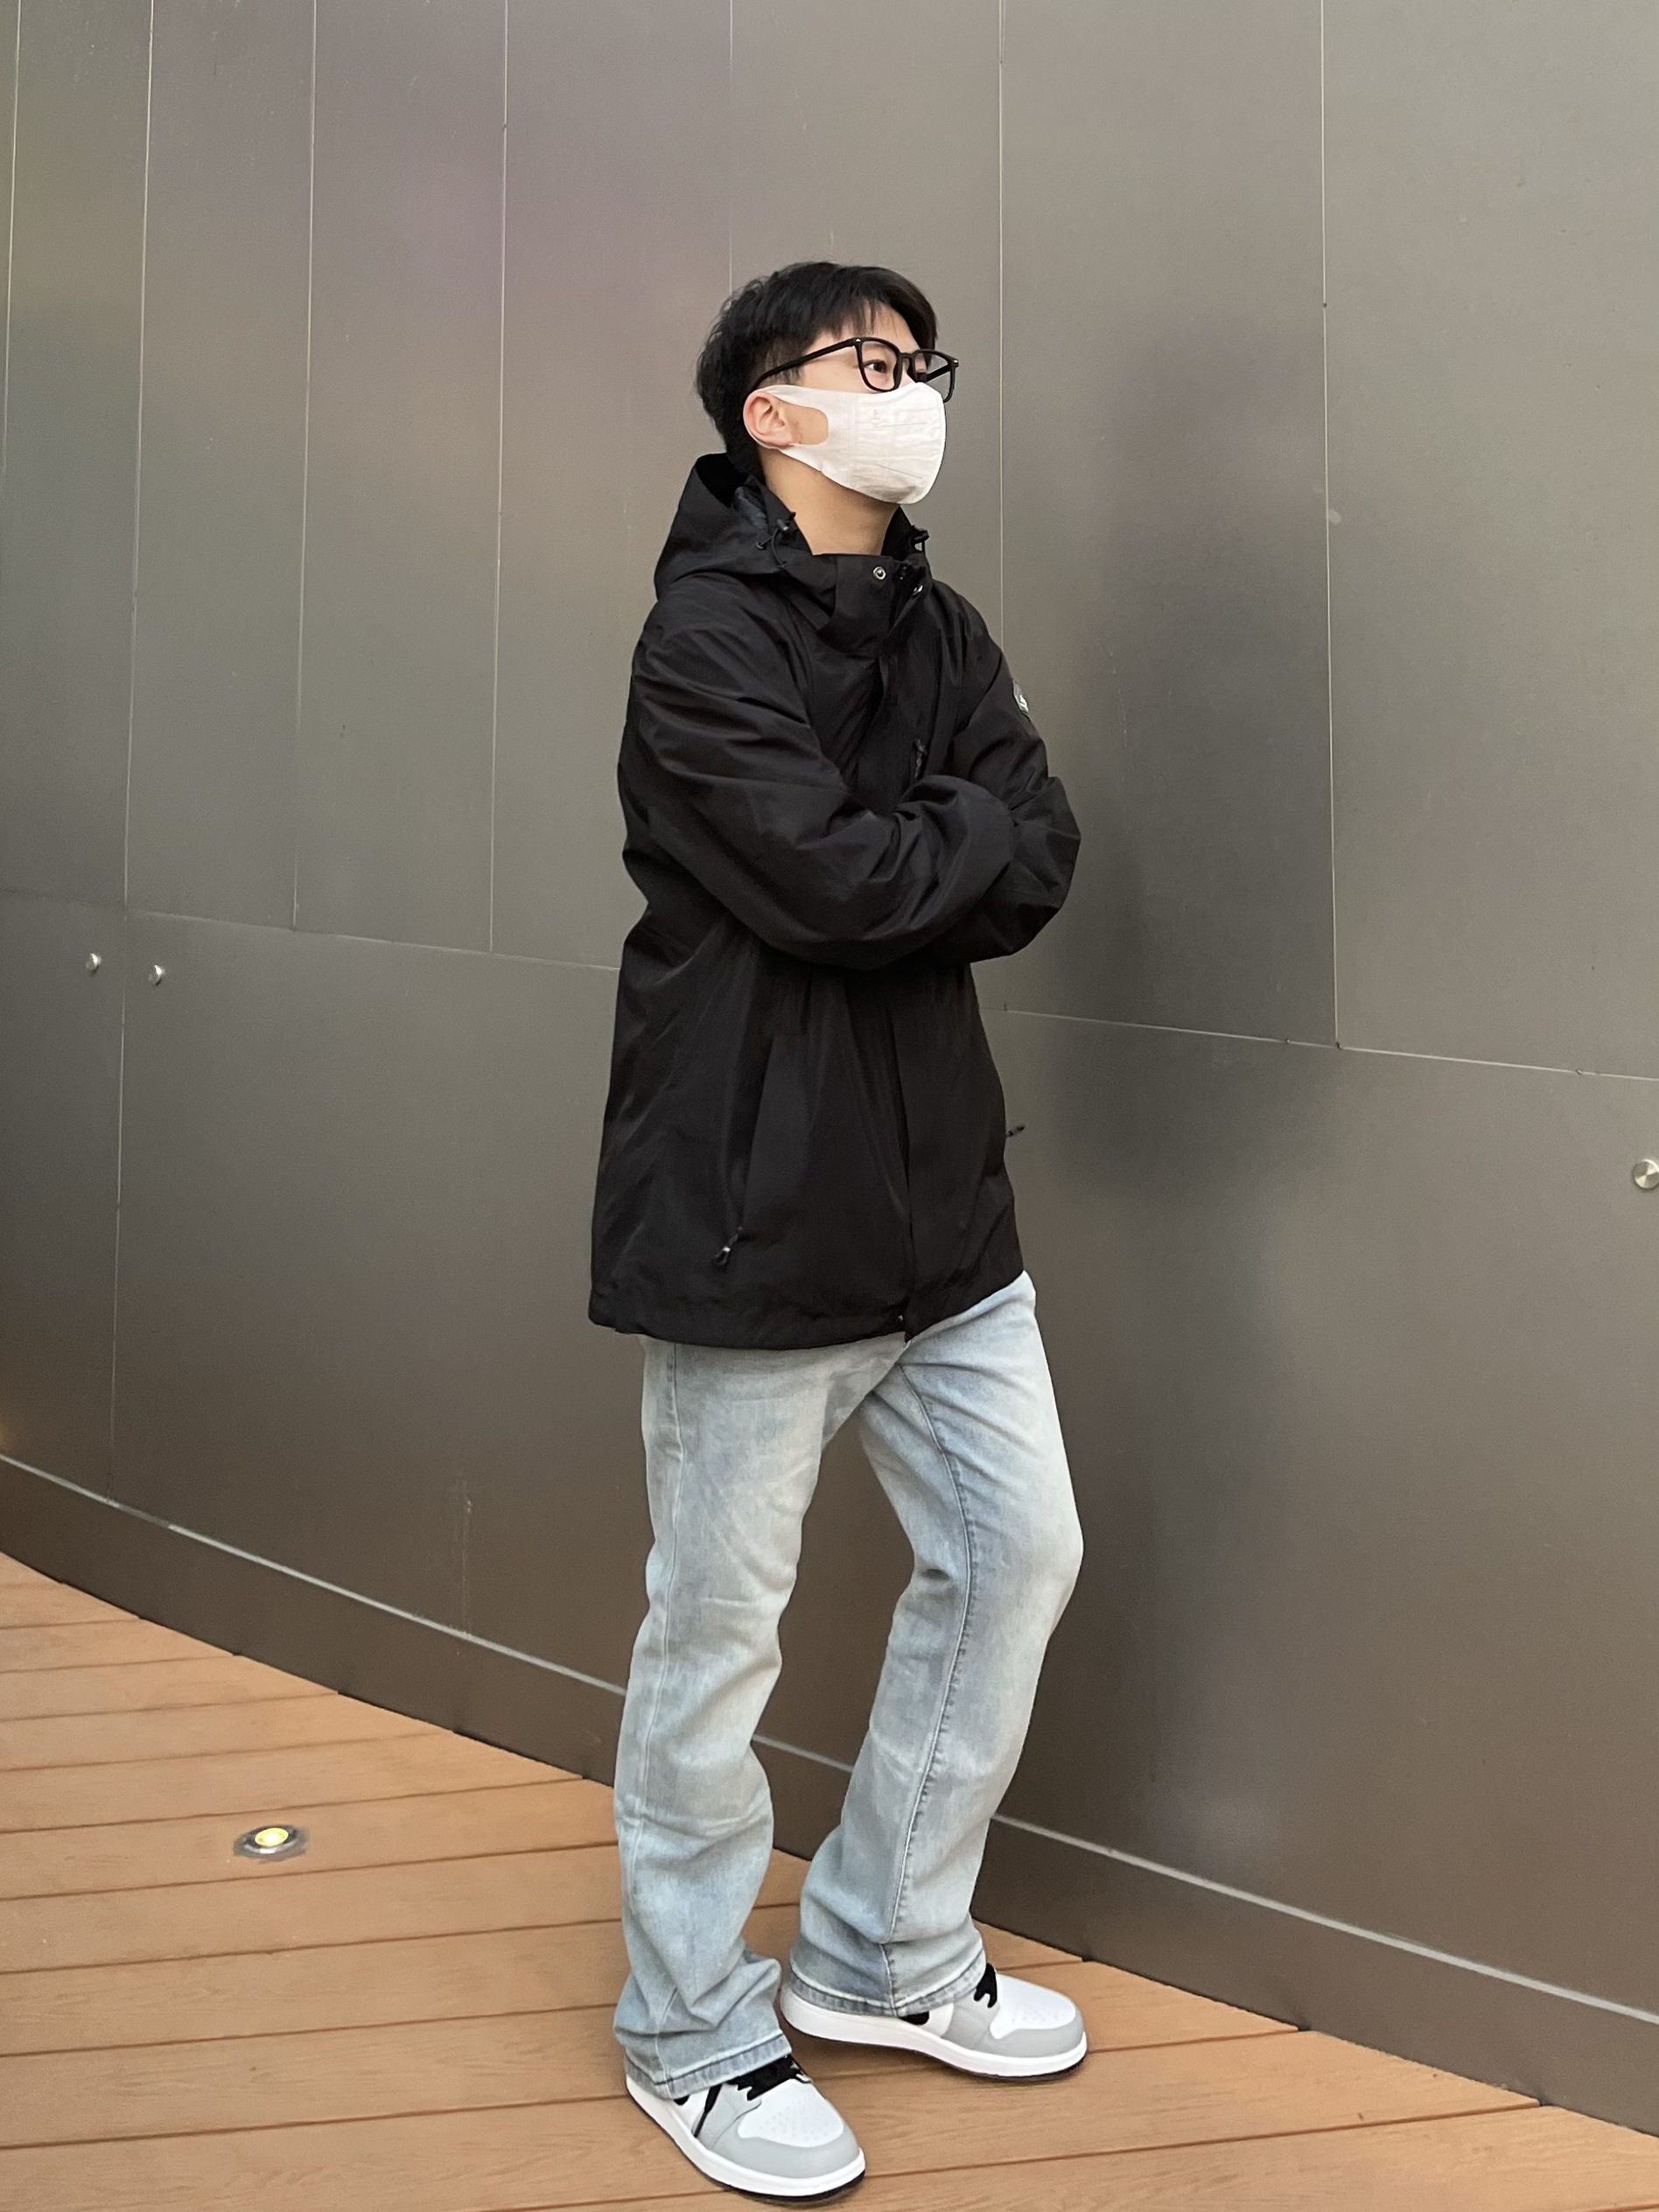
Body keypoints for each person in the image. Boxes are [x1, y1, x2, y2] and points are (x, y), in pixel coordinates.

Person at [588, 260, 1086, 2198]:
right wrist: (936, 844)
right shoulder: (699, 642)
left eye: (919, 359)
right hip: (752, 1212)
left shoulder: (945, 626)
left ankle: (881, 1943)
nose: (909, 387)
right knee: (718, 1641)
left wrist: (917, 853)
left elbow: (1038, 854)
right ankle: (688, 2027)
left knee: (1016, 1555)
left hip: (943, 1214)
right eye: (864, 361)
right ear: (768, 410)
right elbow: (833, 884)